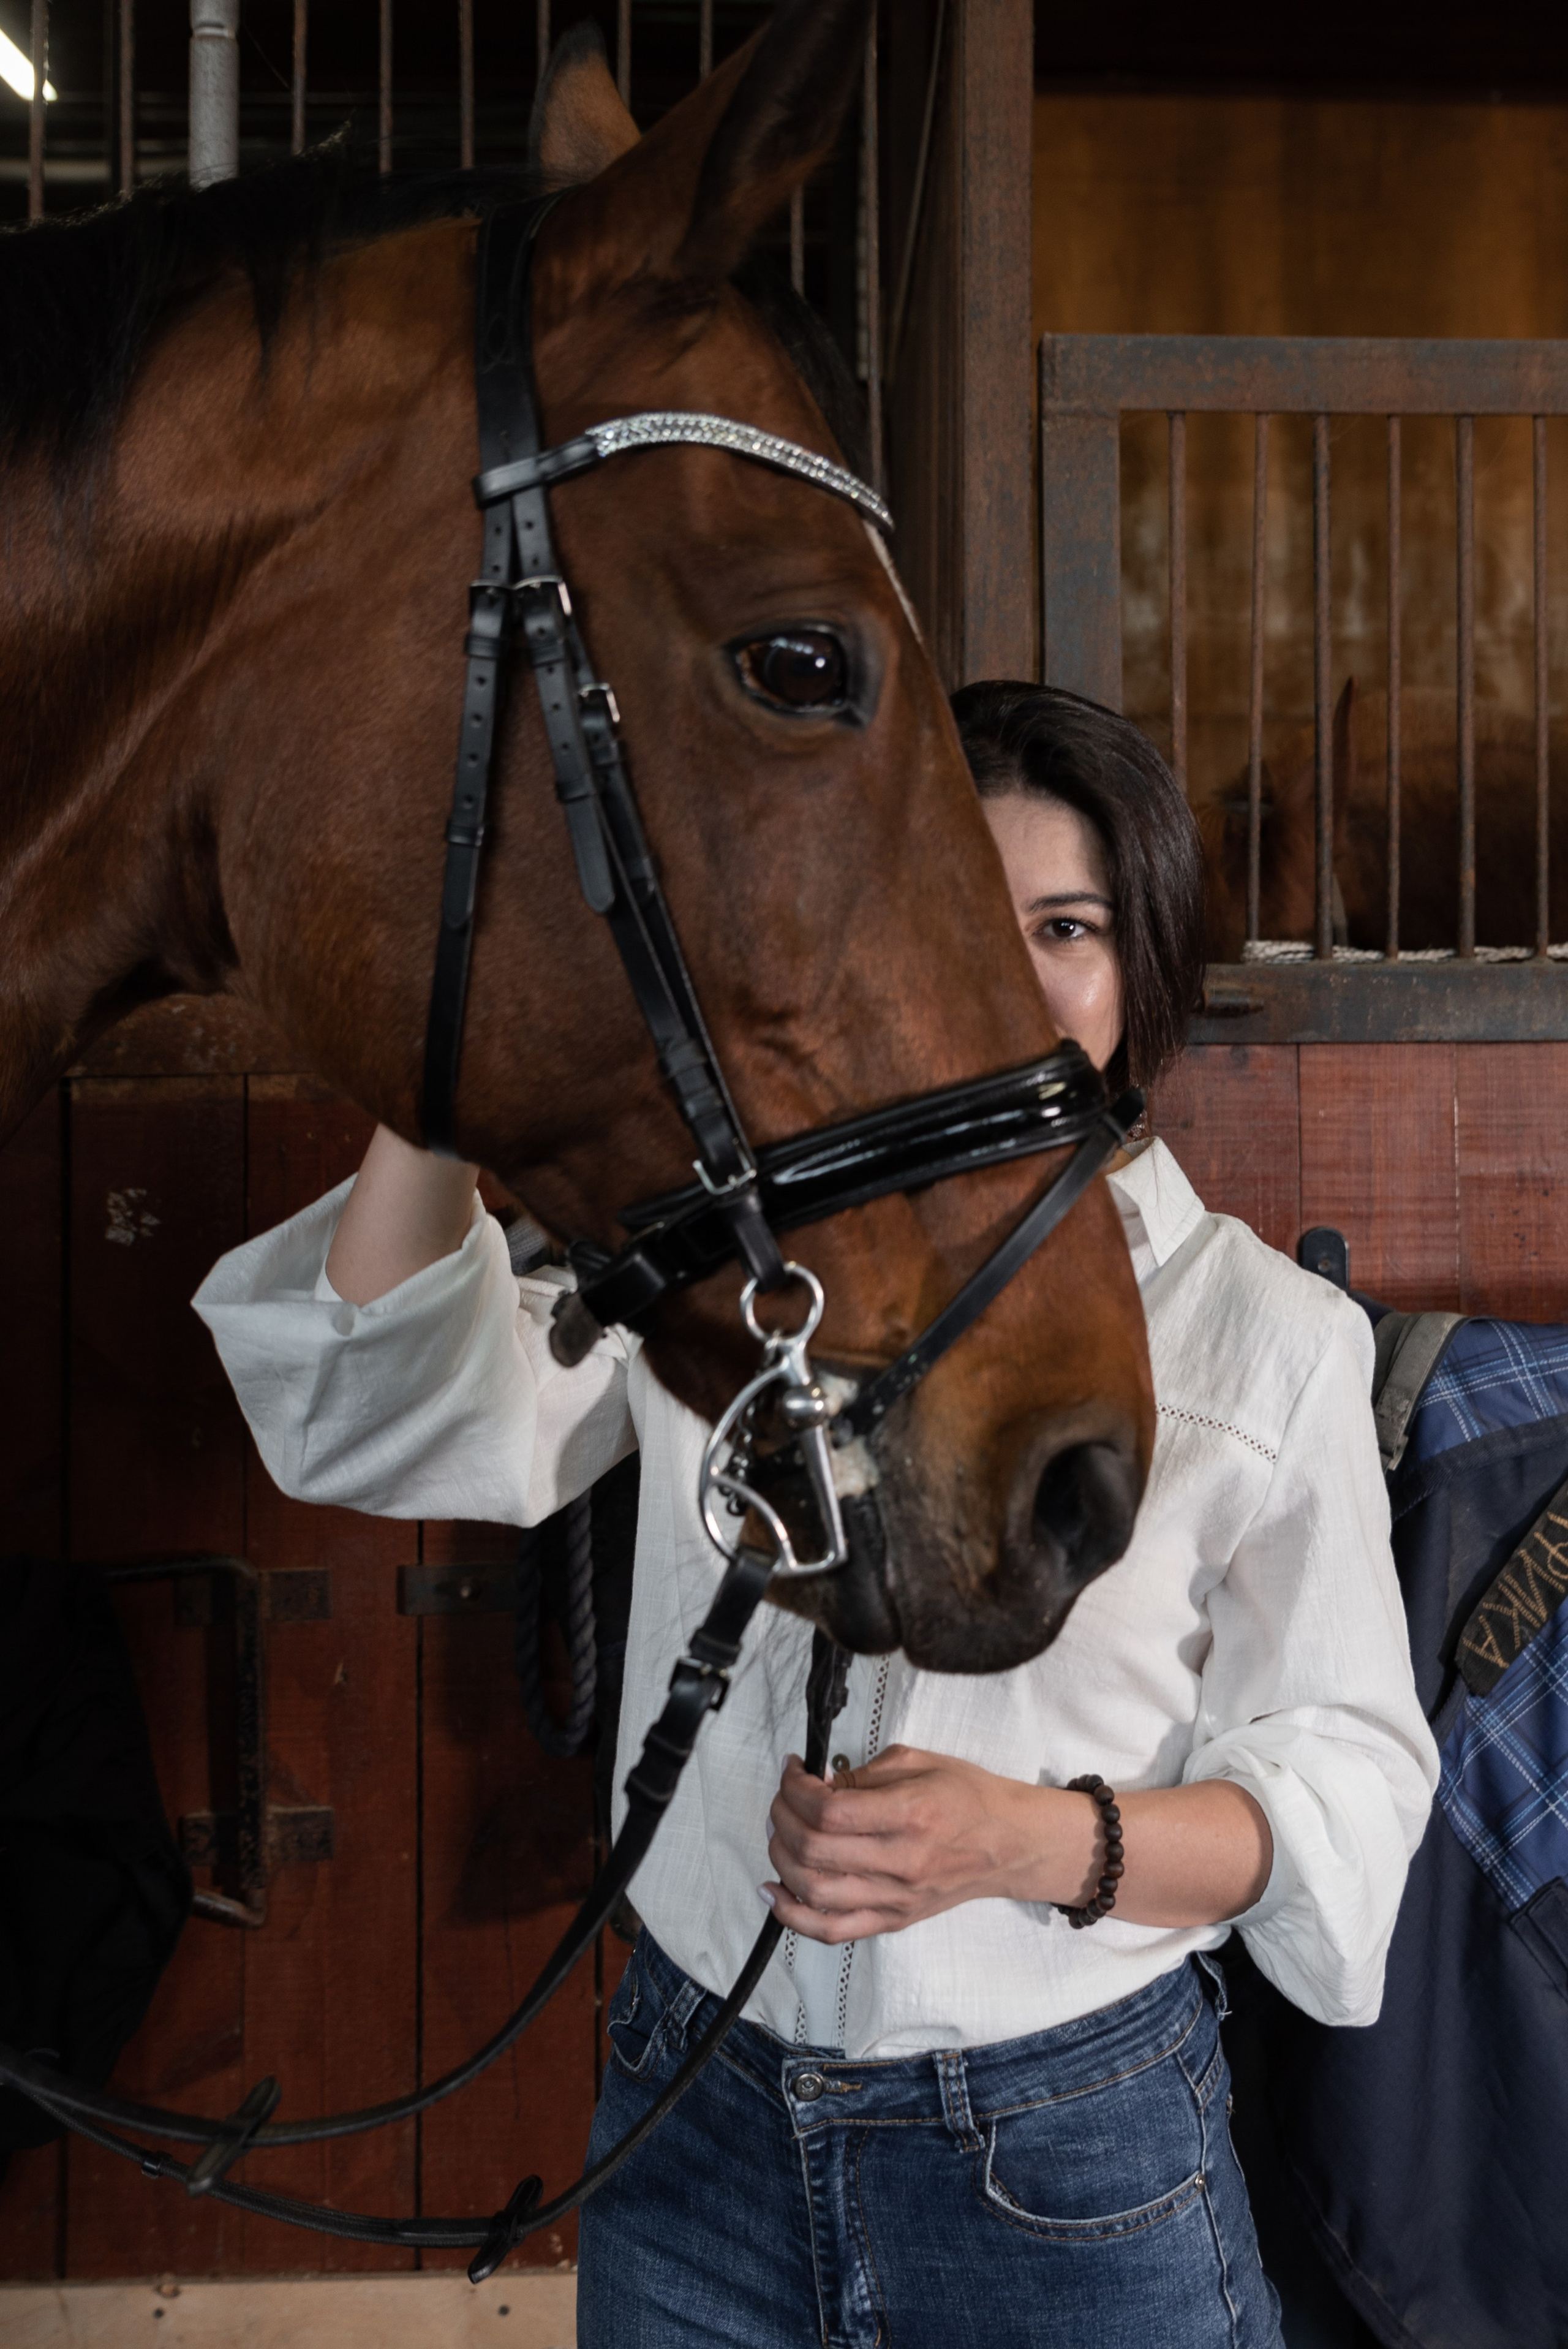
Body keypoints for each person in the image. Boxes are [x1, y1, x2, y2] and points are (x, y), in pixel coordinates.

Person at [194, 681, 1438, 2349]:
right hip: (692, 2120)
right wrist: (445, 1065)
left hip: (1066, 2162)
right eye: (947, 920)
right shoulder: (728, 1269)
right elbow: (390, 1405)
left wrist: (1030, 1837)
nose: (997, 978)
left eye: (1063, 927)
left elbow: (1346, 1790)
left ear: (1141, 965)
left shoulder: (1265, 1339)